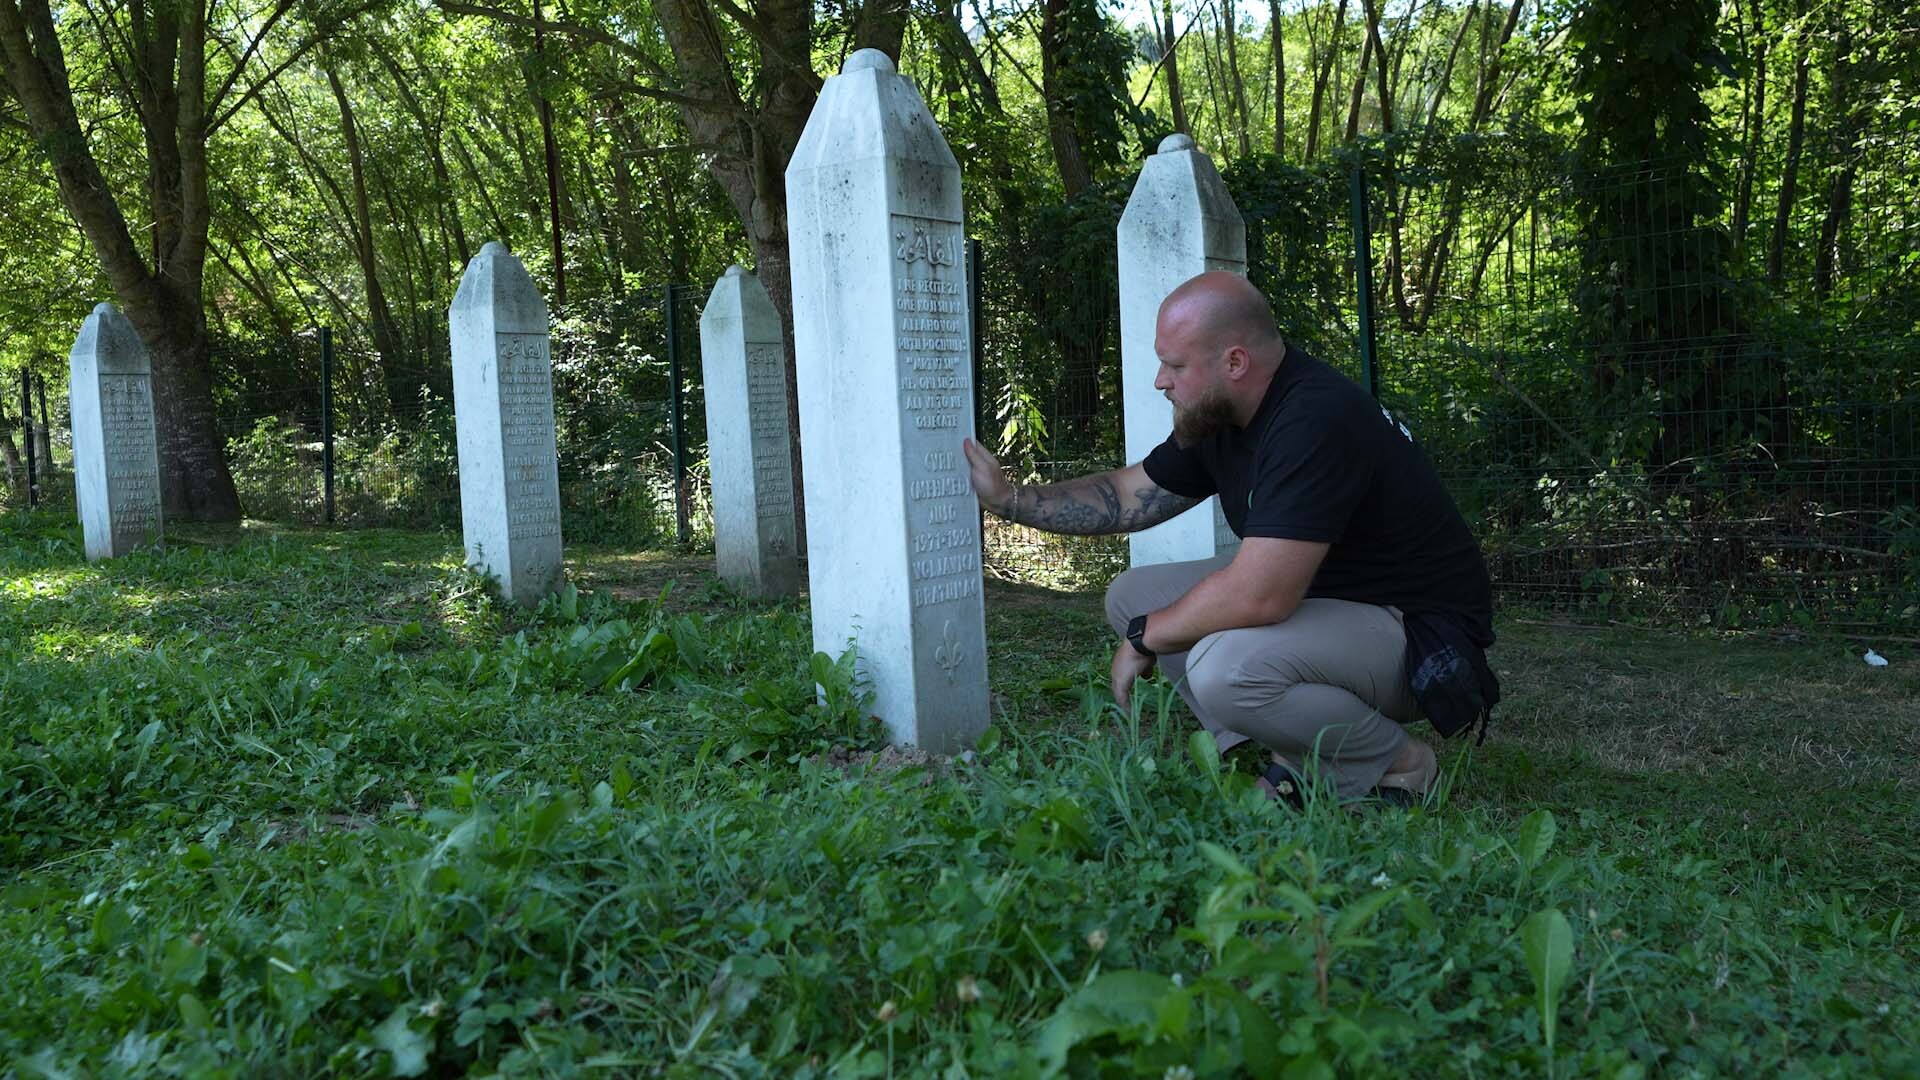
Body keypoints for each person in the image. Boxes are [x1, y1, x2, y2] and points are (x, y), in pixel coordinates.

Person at [961, 271, 1496, 804]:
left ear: (1234, 362)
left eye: (1175, 365)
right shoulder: (1223, 414)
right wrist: (1011, 500)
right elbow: (1129, 495)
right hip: (1336, 603)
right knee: (1133, 596)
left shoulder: (1314, 418)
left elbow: (1261, 594)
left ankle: (1398, 766)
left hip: (1419, 637)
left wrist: (1147, 637)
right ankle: (1277, 744)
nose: (1159, 380)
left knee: (1224, 667)